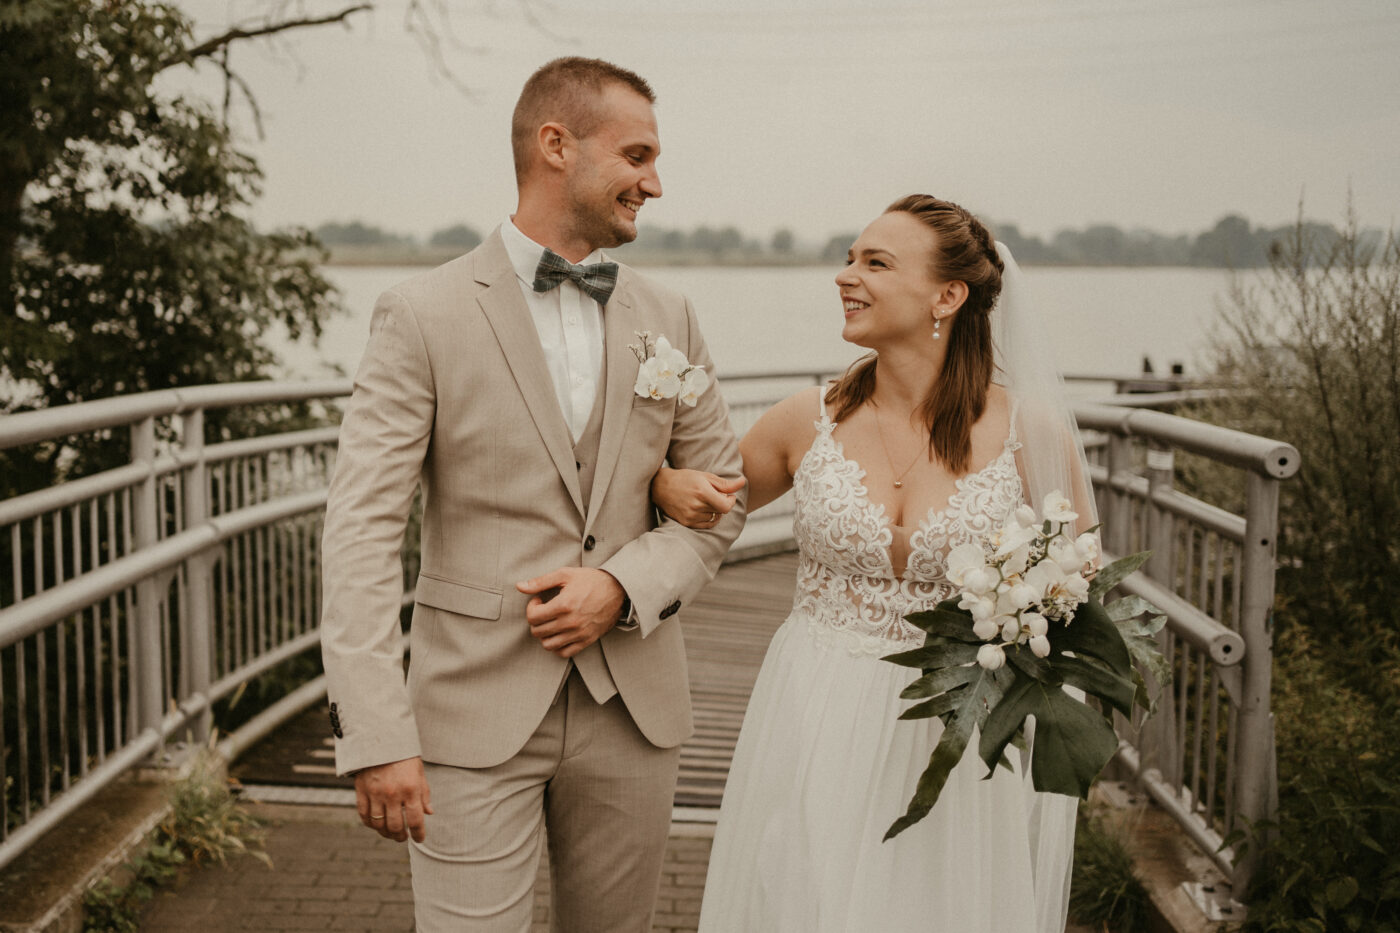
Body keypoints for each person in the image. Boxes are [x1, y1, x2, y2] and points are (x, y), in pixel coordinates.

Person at [318, 57, 746, 932]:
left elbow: (721, 499)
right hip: (468, 716)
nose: (653, 183)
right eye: (635, 156)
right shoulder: (422, 312)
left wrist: (625, 584)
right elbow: (360, 531)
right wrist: (376, 730)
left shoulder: (673, 317)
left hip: (634, 714)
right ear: (557, 145)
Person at [652, 195, 1095, 932]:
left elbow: (1076, 593)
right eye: (849, 257)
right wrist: (664, 479)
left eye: (875, 262)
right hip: (815, 707)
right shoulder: (807, 418)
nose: (845, 276)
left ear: (947, 296)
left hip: (953, 729)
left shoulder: (1029, 431)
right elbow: (703, 506)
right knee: (800, 896)